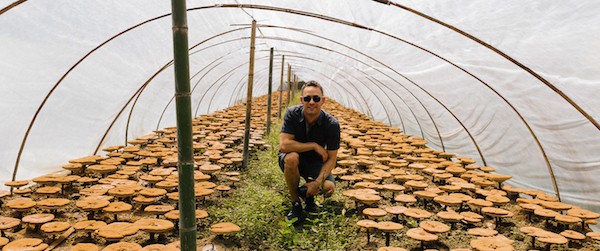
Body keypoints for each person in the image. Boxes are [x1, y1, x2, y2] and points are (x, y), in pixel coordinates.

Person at [278, 81, 341, 221]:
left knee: (329, 187)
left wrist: (317, 182)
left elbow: (331, 158)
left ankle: (308, 195)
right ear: (301, 100)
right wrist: (313, 145)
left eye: (316, 98)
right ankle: (296, 203)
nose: (311, 102)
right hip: (294, 158)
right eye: (307, 98)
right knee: (291, 158)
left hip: (315, 162)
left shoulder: (331, 124)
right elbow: (284, 146)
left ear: (323, 100)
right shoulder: (292, 114)